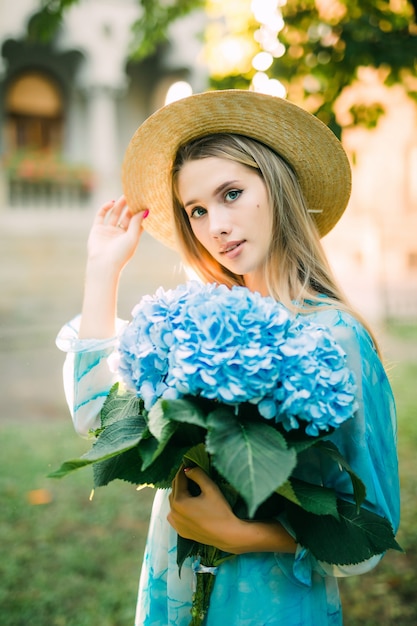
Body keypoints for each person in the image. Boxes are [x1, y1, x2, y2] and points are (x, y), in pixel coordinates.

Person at [57, 90, 400, 626]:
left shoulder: (336, 337)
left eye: (231, 193)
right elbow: (97, 420)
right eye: (197, 209)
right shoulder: (191, 322)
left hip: (267, 604)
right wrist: (103, 273)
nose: (214, 225)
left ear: (277, 187)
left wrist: (237, 534)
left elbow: (370, 534)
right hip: (170, 590)